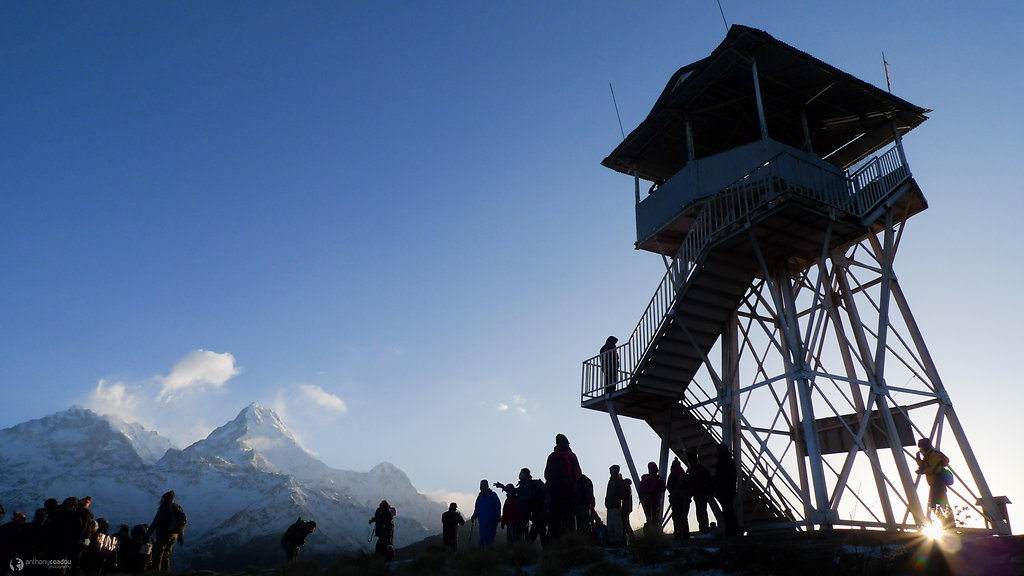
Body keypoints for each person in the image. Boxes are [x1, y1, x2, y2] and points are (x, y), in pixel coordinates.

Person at [544, 433, 582, 539]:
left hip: (553, 493)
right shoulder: (571, 455)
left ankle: (553, 545)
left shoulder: (551, 456)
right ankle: (570, 543)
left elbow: (546, 474)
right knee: (569, 519)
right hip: (568, 491)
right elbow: (577, 473)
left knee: (554, 520)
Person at [915, 438, 955, 529]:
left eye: (921, 447)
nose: (920, 450)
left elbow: (934, 469)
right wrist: (918, 459)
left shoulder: (933, 455)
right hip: (934, 483)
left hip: (938, 482)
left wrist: (923, 471)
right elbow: (925, 465)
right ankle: (947, 523)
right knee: (935, 505)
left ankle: (950, 524)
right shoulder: (928, 456)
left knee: (941, 504)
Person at [147, 491, 186, 571]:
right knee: (166, 555)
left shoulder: (164, 508)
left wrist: (147, 534)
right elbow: (181, 521)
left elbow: (155, 522)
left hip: (164, 535)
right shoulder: (177, 507)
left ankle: (156, 573)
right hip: (174, 535)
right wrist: (181, 535)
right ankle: (166, 572)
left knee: (157, 554)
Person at [714, 443, 742, 536]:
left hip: (724, 490)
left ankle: (732, 530)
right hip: (730, 489)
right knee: (728, 510)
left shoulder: (722, 462)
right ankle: (733, 530)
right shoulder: (730, 461)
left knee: (727, 510)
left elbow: (720, 476)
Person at [515, 468, 547, 543]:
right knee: (540, 533)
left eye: (520, 473)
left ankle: (526, 550)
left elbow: (526, 498)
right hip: (538, 512)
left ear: (524, 474)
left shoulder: (527, 485)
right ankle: (545, 551)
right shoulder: (528, 484)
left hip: (534, 512)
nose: (519, 475)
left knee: (532, 533)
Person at [637, 462, 666, 535]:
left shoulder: (645, 478)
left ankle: (650, 534)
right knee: (654, 517)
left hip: (649, 500)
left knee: (650, 517)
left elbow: (642, 489)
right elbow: (663, 488)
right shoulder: (658, 478)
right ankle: (655, 533)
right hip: (655, 500)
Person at [688, 451, 713, 534]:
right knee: (702, 511)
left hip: (699, 493)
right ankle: (704, 530)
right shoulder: (701, 468)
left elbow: (692, 482)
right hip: (702, 493)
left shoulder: (694, 469)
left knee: (700, 512)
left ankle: (703, 530)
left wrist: (691, 493)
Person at [470, 480, 501, 547]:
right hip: (483, 522)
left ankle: (487, 554)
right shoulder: (480, 497)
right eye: (481, 486)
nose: (482, 488)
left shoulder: (492, 495)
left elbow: (497, 505)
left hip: (491, 521)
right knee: (482, 538)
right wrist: (474, 515)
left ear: (487, 486)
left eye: (483, 486)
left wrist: (498, 515)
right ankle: (483, 554)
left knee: (489, 539)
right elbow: (477, 508)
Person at [666, 457, 692, 539]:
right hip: (685, 499)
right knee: (684, 517)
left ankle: (678, 534)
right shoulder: (684, 475)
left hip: (676, 499)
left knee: (676, 517)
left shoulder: (672, 475)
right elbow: (690, 486)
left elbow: (668, 487)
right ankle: (686, 534)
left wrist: (674, 493)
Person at [604, 465, 626, 545]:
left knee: (616, 525)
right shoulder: (612, 481)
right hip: (611, 506)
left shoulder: (617, 481)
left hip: (615, 506)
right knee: (611, 525)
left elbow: (621, 494)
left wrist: (614, 500)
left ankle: (617, 541)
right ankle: (612, 540)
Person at [621, 477, 635, 545]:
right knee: (626, 524)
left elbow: (624, 497)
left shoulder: (625, 487)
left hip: (625, 508)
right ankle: (631, 539)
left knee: (625, 524)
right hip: (627, 508)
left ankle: (630, 539)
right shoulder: (628, 487)